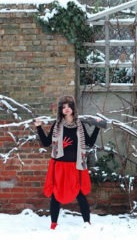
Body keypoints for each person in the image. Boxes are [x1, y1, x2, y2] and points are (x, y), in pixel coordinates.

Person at [34, 95, 100, 230]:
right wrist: (39, 127)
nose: (66, 109)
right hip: (59, 165)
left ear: (73, 108)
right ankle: (53, 224)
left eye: (69, 106)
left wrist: (97, 127)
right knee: (56, 194)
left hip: (76, 166)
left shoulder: (79, 125)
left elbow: (89, 143)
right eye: (63, 107)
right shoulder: (57, 125)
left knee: (80, 194)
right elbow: (47, 143)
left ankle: (87, 222)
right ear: (60, 110)